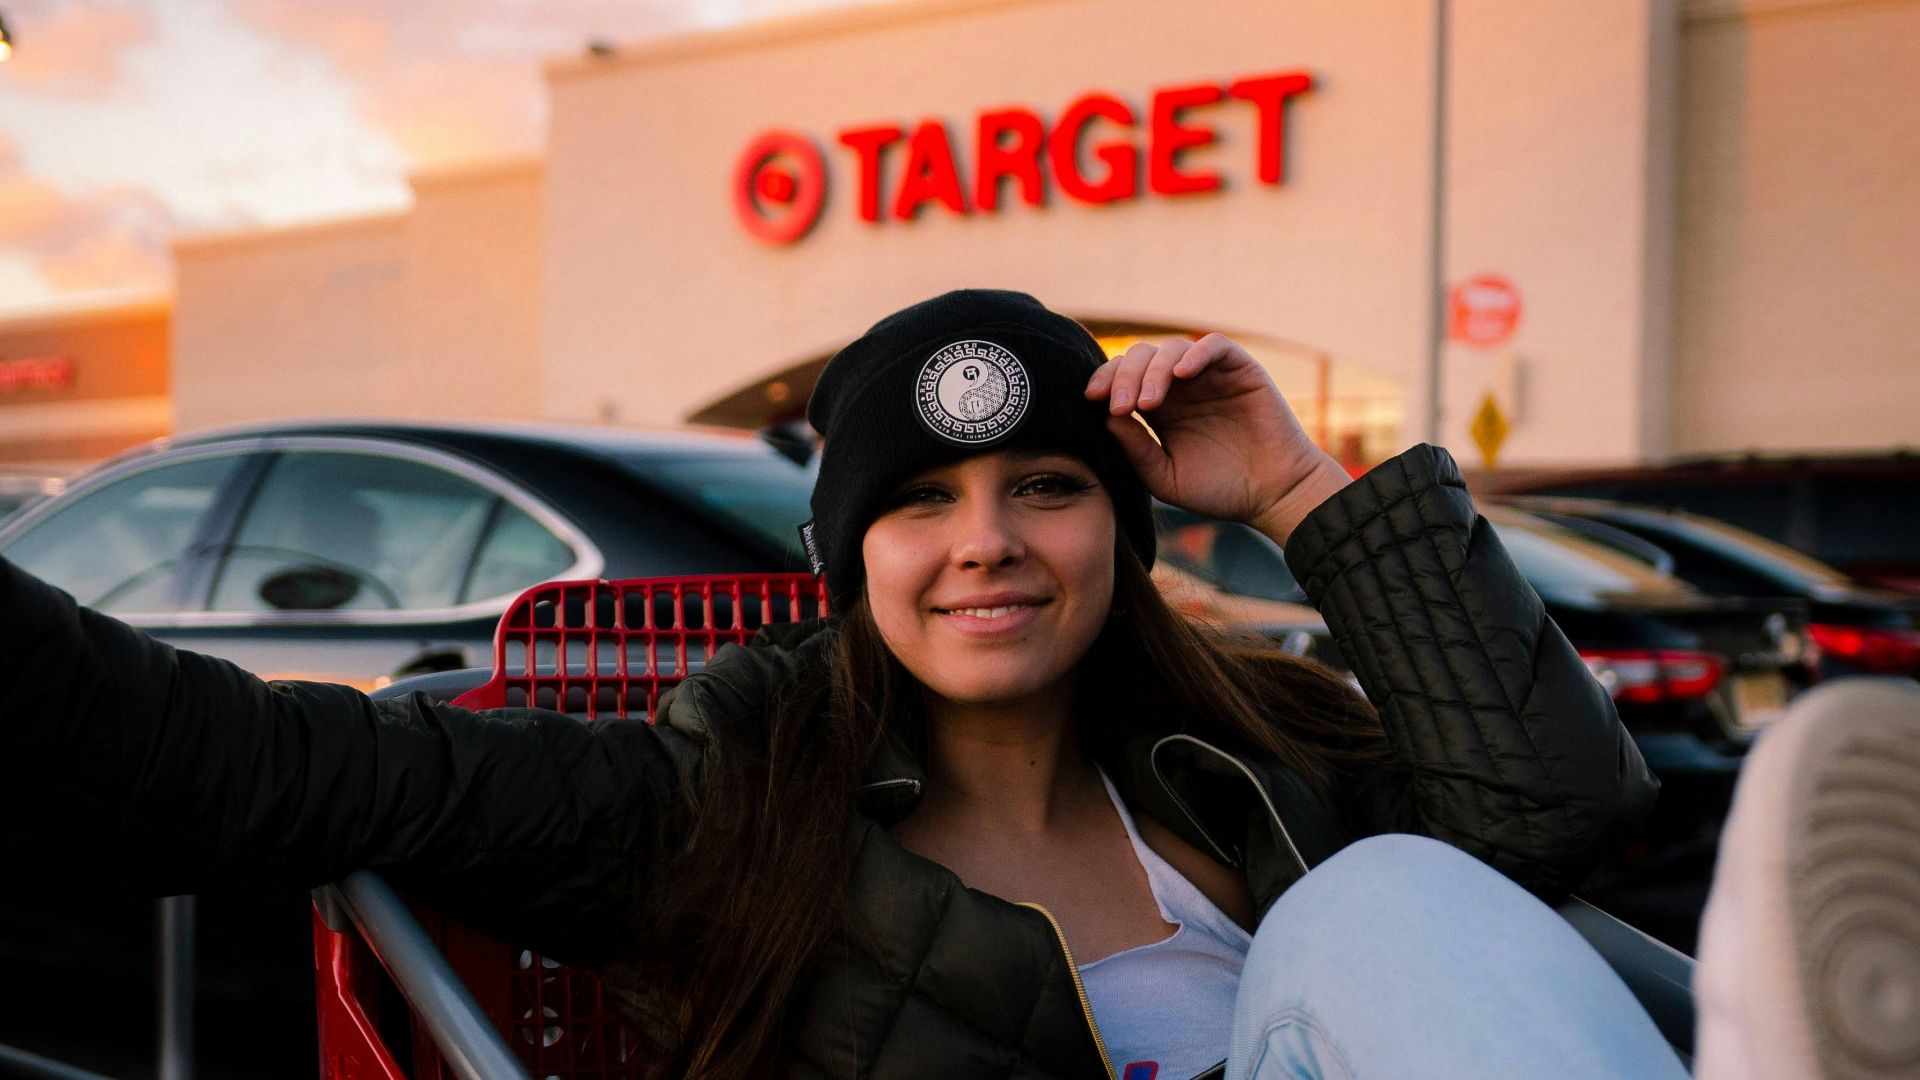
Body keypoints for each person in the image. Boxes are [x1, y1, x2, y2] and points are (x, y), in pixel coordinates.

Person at [2, 289, 1688, 1079]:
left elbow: (1558, 820)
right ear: (845, 557)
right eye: (917, 504)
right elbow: (245, 766)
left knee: (1400, 902)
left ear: (1123, 525)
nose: (989, 546)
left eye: (1045, 486)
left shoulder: (1258, 768)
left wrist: (1306, 490)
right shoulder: (715, 801)